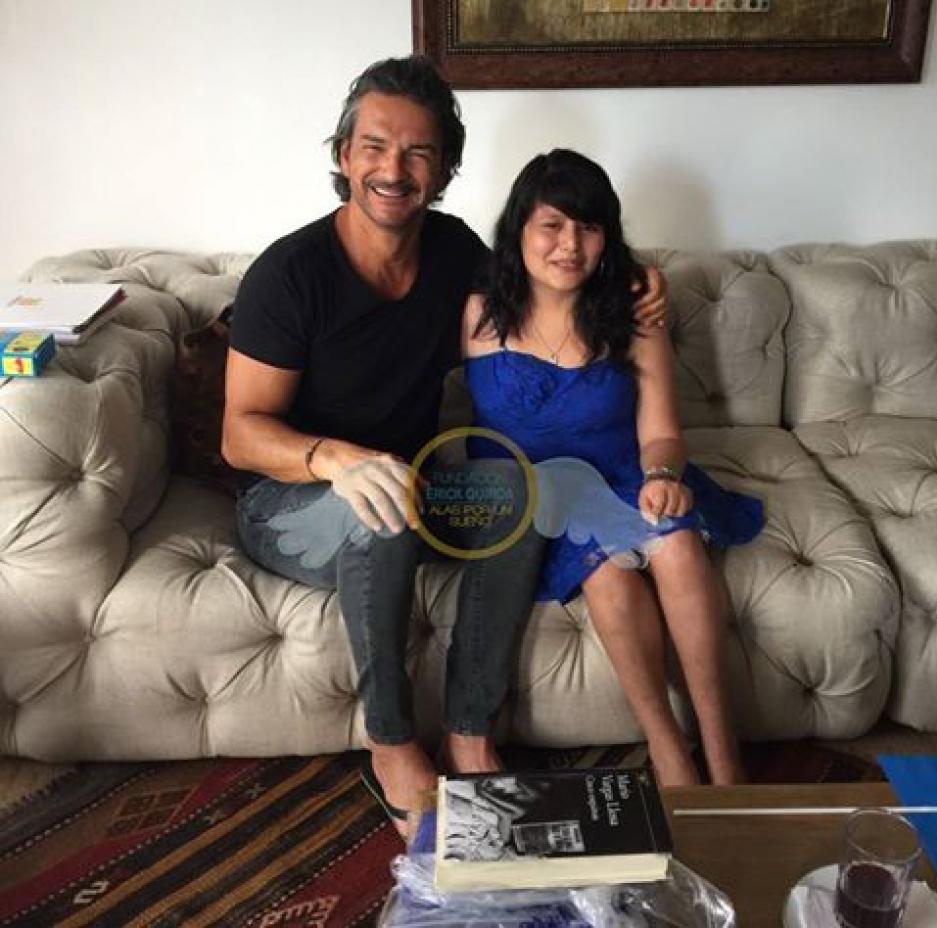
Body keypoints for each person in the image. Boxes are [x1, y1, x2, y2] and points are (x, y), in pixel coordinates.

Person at [222, 57, 667, 837]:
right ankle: (392, 741)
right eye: (374, 146)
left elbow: (552, 275)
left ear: (445, 169)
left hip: (418, 484)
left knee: (518, 492)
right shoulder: (289, 275)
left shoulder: (456, 253)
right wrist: (337, 459)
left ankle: (470, 730)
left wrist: (637, 278)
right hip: (291, 497)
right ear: (344, 156)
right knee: (381, 507)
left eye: (418, 152)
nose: (393, 170)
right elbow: (241, 434)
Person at [463, 149, 763, 786]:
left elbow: (661, 433)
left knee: (677, 545)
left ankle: (723, 751)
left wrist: (663, 477)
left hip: (625, 477)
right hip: (538, 500)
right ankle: (667, 748)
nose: (570, 245)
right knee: (606, 574)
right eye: (552, 225)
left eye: (589, 227)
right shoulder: (475, 313)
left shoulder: (632, 312)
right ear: (518, 230)